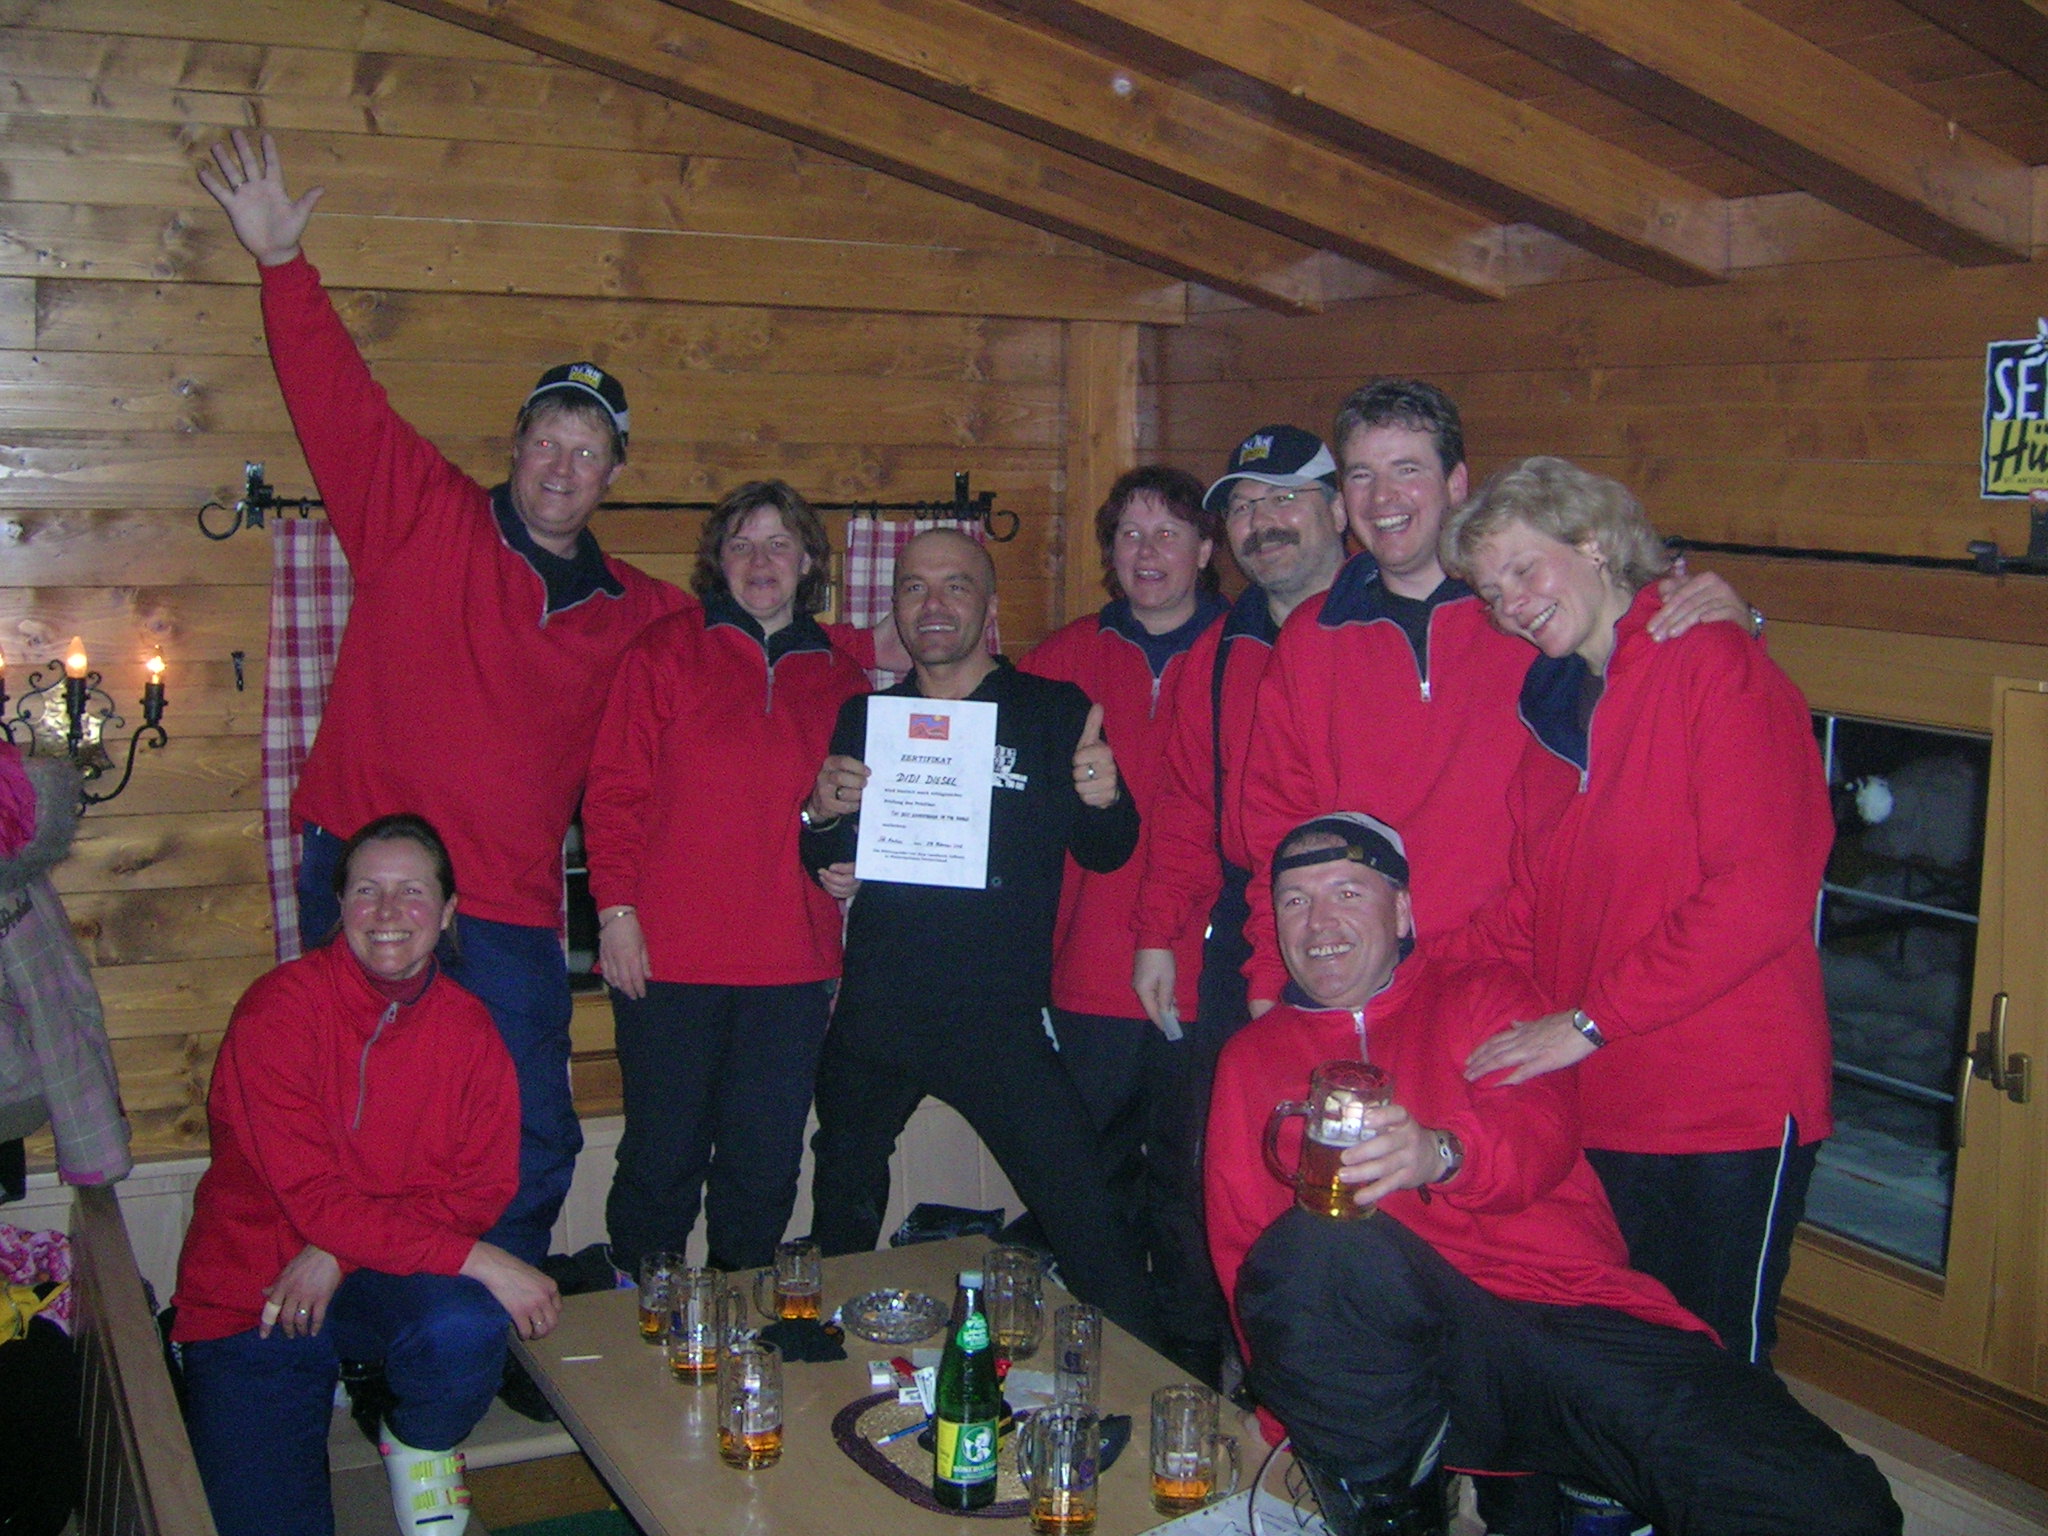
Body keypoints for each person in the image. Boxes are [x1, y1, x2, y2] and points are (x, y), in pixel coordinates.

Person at [197, 130, 686, 1271]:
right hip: (364, 871)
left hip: (509, 902)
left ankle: (478, 1310)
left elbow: (760, 642)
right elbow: (337, 396)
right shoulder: (421, 519)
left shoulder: (639, 612)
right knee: (349, 1106)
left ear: (613, 476)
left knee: (527, 1120)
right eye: (548, 441)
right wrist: (281, 262)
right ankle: (361, 1310)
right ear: (514, 447)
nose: (564, 467)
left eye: (590, 452)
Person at [1206, 814, 1899, 1536]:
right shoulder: (1254, 1060)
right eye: (1294, 900)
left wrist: (1438, 1153)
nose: (1319, 921)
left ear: (1404, 909)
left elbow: (1539, 1135)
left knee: (1828, 1503)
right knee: (1316, 1244)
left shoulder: (1484, 994)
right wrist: (1282, 1410)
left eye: (1348, 891)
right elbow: (1245, 1247)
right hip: (1390, 1367)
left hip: (1552, 1315)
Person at [1440, 456, 1833, 1370]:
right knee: (1637, 1354)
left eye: (1524, 570)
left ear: (1593, 544)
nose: (1510, 604)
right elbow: (1535, 908)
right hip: (1607, 1094)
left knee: (1714, 1370)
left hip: (1725, 1097)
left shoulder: (1710, 662)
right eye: (1492, 592)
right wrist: (1397, 980)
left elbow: (1762, 893)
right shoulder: (1557, 716)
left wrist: (1585, 1022)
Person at [1239, 379, 1754, 1012]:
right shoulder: (1309, 640)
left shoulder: (1532, 616)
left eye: (1408, 470)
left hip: (1527, 975)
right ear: (1343, 496)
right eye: (1362, 475)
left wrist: (1739, 619)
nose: (1383, 498)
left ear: (1457, 484)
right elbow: (1279, 829)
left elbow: (1650, 648)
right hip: (1371, 982)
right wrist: (1271, 975)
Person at [798, 528, 1155, 1335]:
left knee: (1088, 1220)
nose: (934, 605)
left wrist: (1106, 798)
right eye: (915, 588)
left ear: (988, 608)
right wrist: (819, 814)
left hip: (998, 1018)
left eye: (955, 587)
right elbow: (824, 852)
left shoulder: (1050, 711)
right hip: (878, 1012)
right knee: (840, 1216)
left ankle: (1164, 1391)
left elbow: (1107, 850)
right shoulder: (870, 716)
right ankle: (823, 1382)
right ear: (893, 606)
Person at [172, 815, 561, 1536]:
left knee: (465, 1323)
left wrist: (340, 1252)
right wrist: (482, 1259)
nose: (387, 914)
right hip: (257, 1291)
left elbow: (480, 1187)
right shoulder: (280, 1009)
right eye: (366, 892)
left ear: (446, 914)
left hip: (375, 1279)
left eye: (412, 893)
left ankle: (414, 1441)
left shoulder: (470, 1028)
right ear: (340, 906)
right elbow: (312, 1195)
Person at [582, 481, 870, 1276]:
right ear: (719, 560)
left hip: (794, 967)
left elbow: (858, 813)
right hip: (668, 962)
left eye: (780, 543)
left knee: (763, 1170)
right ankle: (645, 1331)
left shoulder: (845, 679)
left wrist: (855, 869)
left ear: (808, 559)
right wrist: (615, 913)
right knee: (660, 1163)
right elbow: (612, 795)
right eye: (742, 544)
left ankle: (738, 1329)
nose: (761, 561)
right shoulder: (664, 653)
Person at [1018, 466, 1226, 1374]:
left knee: (1189, 1184)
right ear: (1109, 553)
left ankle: (1188, 1365)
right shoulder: (1062, 658)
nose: (1148, 552)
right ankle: (1098, 1356)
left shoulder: (1246, 649)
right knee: (1093, 1178)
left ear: (1206, 551)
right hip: (1089, 968)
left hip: (1208, 971)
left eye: (1169, 533)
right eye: (1131, 535)